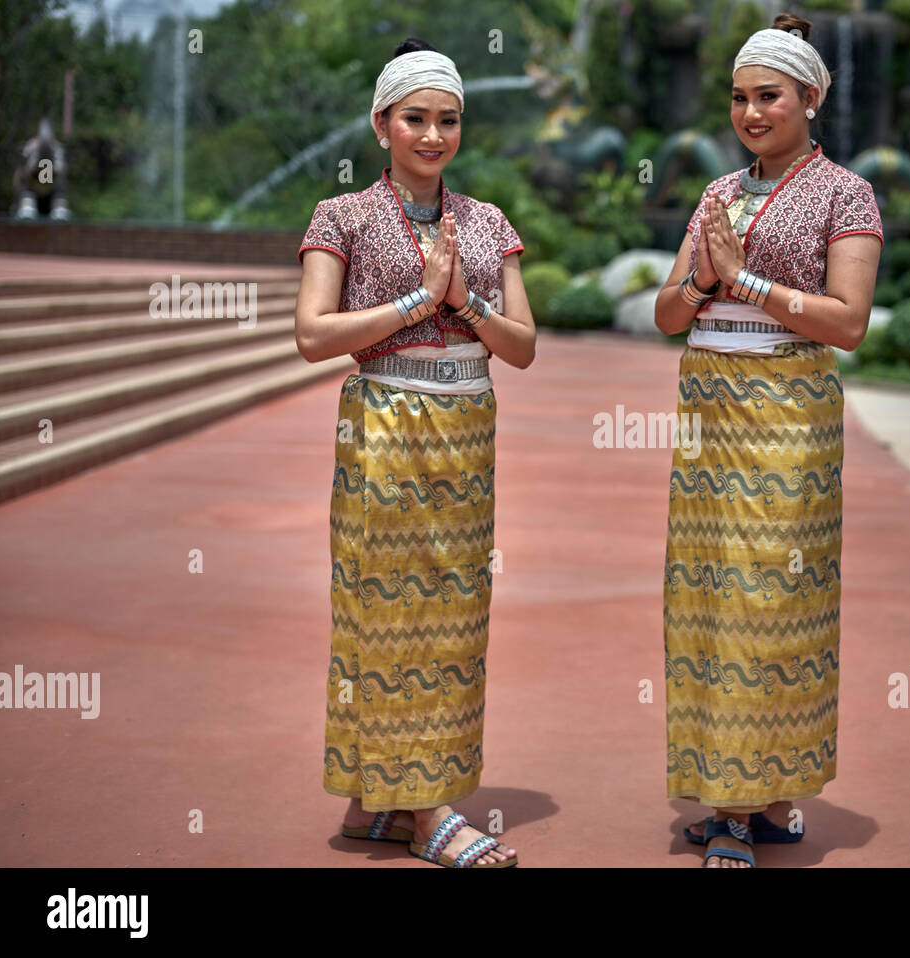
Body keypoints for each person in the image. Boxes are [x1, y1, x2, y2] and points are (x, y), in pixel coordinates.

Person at [295, 38, 535, 868]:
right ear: (381, 123)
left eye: (448, 120)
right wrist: (412, 303)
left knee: (456, 613)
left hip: (468, 427)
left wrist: (462, 301)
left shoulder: (488, 222)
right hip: (387, 424)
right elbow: (312, 334)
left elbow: (525, 346)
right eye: (415, 119)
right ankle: (423, 804)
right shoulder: (344, 216)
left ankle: (387, 794)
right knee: (390, 609)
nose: (433, 135)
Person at [654, 12, 882, 868]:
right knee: (708, 601)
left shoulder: (846, 194)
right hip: (710, 404)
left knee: (773, 599)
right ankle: (741, 795)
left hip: (789, 406)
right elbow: (668, 314)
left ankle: (757, 801)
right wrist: (703, 278)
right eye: (741, 99)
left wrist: (742, 277)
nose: (751, 113)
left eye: (769, 97)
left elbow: (849, 323)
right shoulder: (719, 194)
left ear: (811, 98)